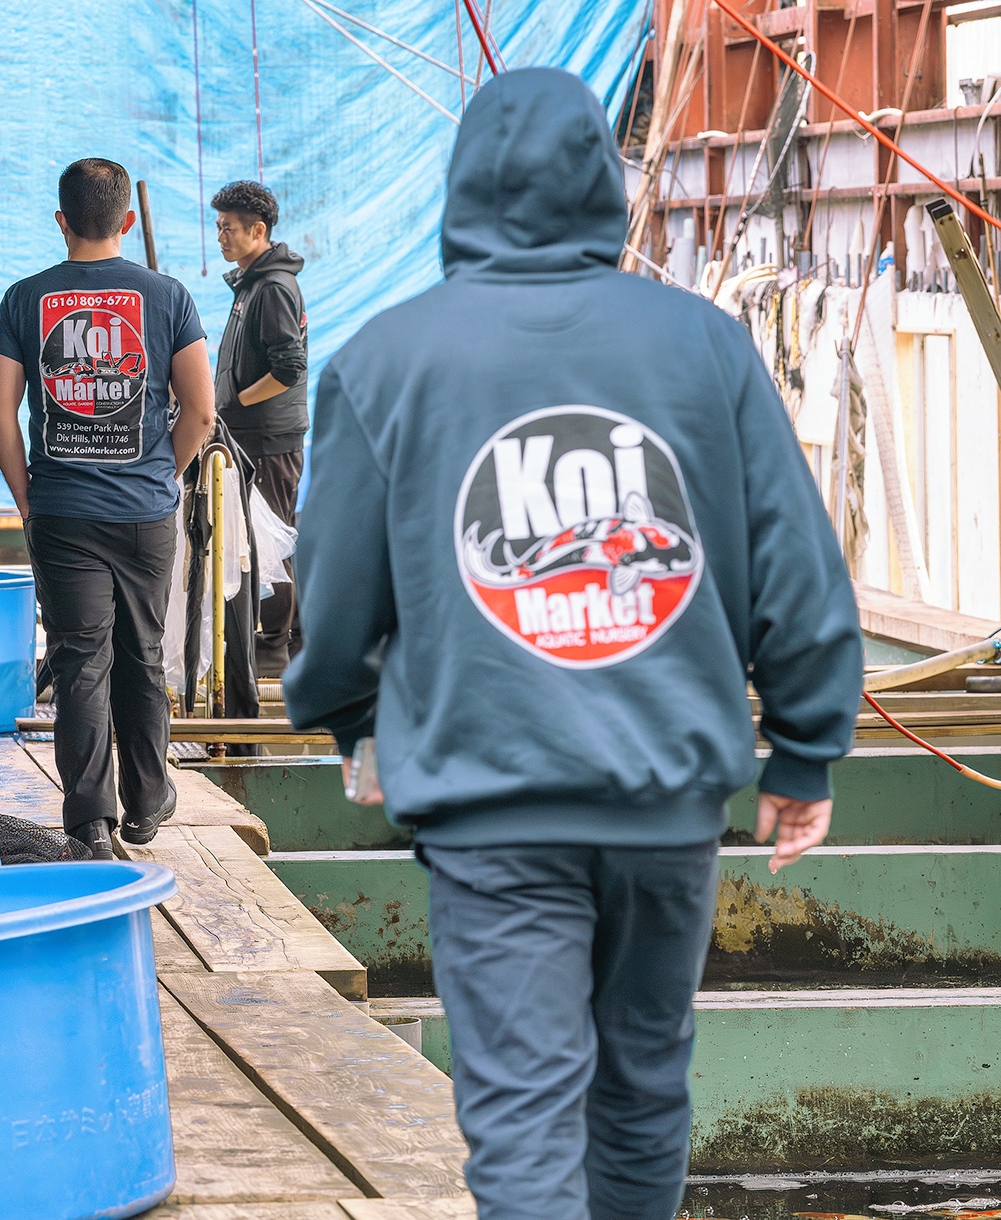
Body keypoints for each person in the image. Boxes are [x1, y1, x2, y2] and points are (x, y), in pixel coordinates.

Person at [283, 69, 861, 1220]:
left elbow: (335, 597)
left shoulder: (384, 359)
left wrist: (352, 718)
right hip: (665, 803)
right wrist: (804, 752)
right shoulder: (705, 347)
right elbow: (798, 567)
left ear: (461, 189)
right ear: (605, 181)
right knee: (644, 1088)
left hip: (493, 807)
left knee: (524, 1114)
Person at [0, 158, 216, 859]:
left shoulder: (26, 297)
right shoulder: (168, 296)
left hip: (62, 512)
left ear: (61, 221)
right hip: (146, 511)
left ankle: (92, 823)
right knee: (141, 655)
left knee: (80, 661)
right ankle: (148, 801)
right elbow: (201, 412)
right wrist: (161, 476)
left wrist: (27, 493)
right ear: (128, 221)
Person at [211, 179, 308, 676]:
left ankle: (275, 648)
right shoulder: (250, 282)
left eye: (229, 229)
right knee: (260, 540)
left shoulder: (272, 287)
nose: (221, 237)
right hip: (249, 433)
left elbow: (290, 367)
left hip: (269, 439)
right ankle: (282, 639)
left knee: (272, 543)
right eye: (220, 227)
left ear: (258, 230)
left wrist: (238, 403)